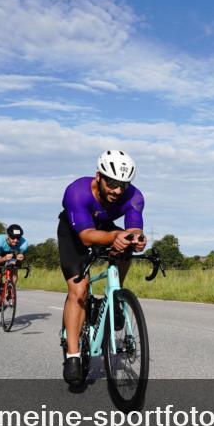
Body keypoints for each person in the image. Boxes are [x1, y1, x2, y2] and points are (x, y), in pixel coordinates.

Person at [58, 150, 147, 385]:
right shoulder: (77, 192)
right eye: (112, 183)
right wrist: (116, 235)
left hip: (103, 225)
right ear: (99, 176)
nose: (118, 190)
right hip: (75, 232)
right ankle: (73, 355)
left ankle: (116, 296)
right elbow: (86, 237)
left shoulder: (134, 196)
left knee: (126, 244)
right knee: (79, 289)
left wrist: (135, 237)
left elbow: (134, 226)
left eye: (123, 185)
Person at [0, 224, 31, 316]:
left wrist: (20, 258)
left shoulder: (24, 243)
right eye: (13, 238)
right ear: (8, 236)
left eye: (18, 238)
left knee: (14, 273)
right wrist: (5, 258)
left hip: (11, 258)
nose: (16, 240)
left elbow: (20, 260)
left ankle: (10, 292)